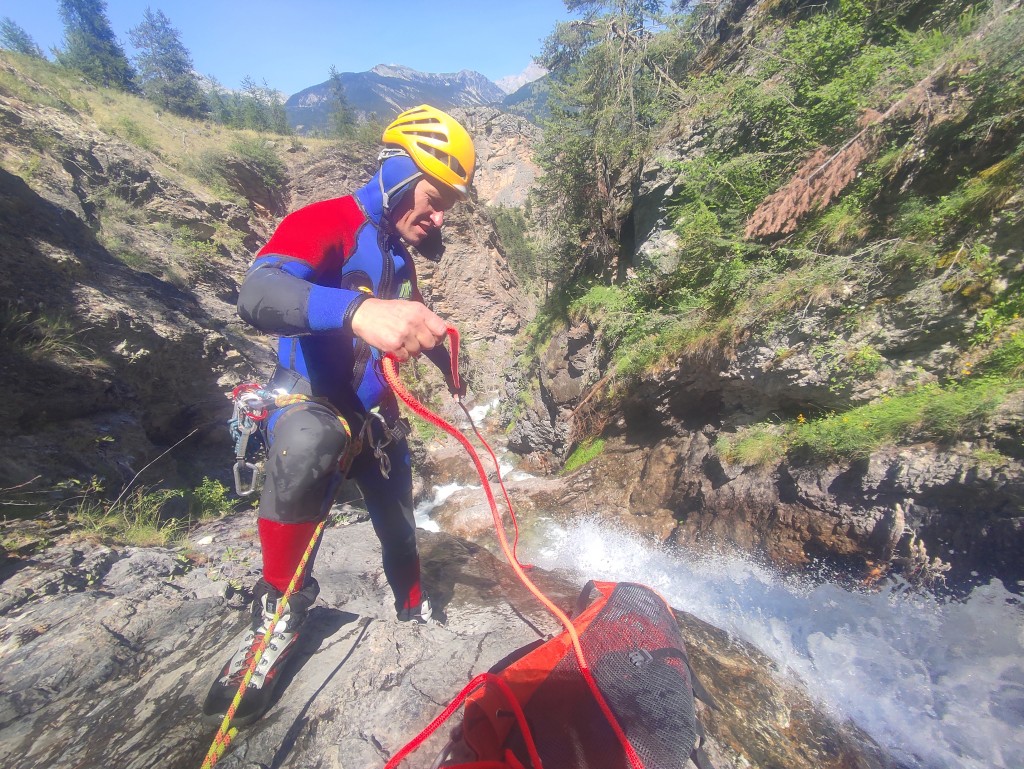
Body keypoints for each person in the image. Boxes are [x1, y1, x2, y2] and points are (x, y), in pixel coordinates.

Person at [203, 104, 475, 726]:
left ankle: (413, 608)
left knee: (400, 525)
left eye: (445, 210)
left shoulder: (398, 256)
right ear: (400, 175)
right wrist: (355, 312)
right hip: (313, 400)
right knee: (303, 447)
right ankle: (281, 613)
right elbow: (259, 292)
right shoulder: (323, 221)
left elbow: (400, 325)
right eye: (433, 200)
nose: (436, 218)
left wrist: (445, 362)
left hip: (375, 419)